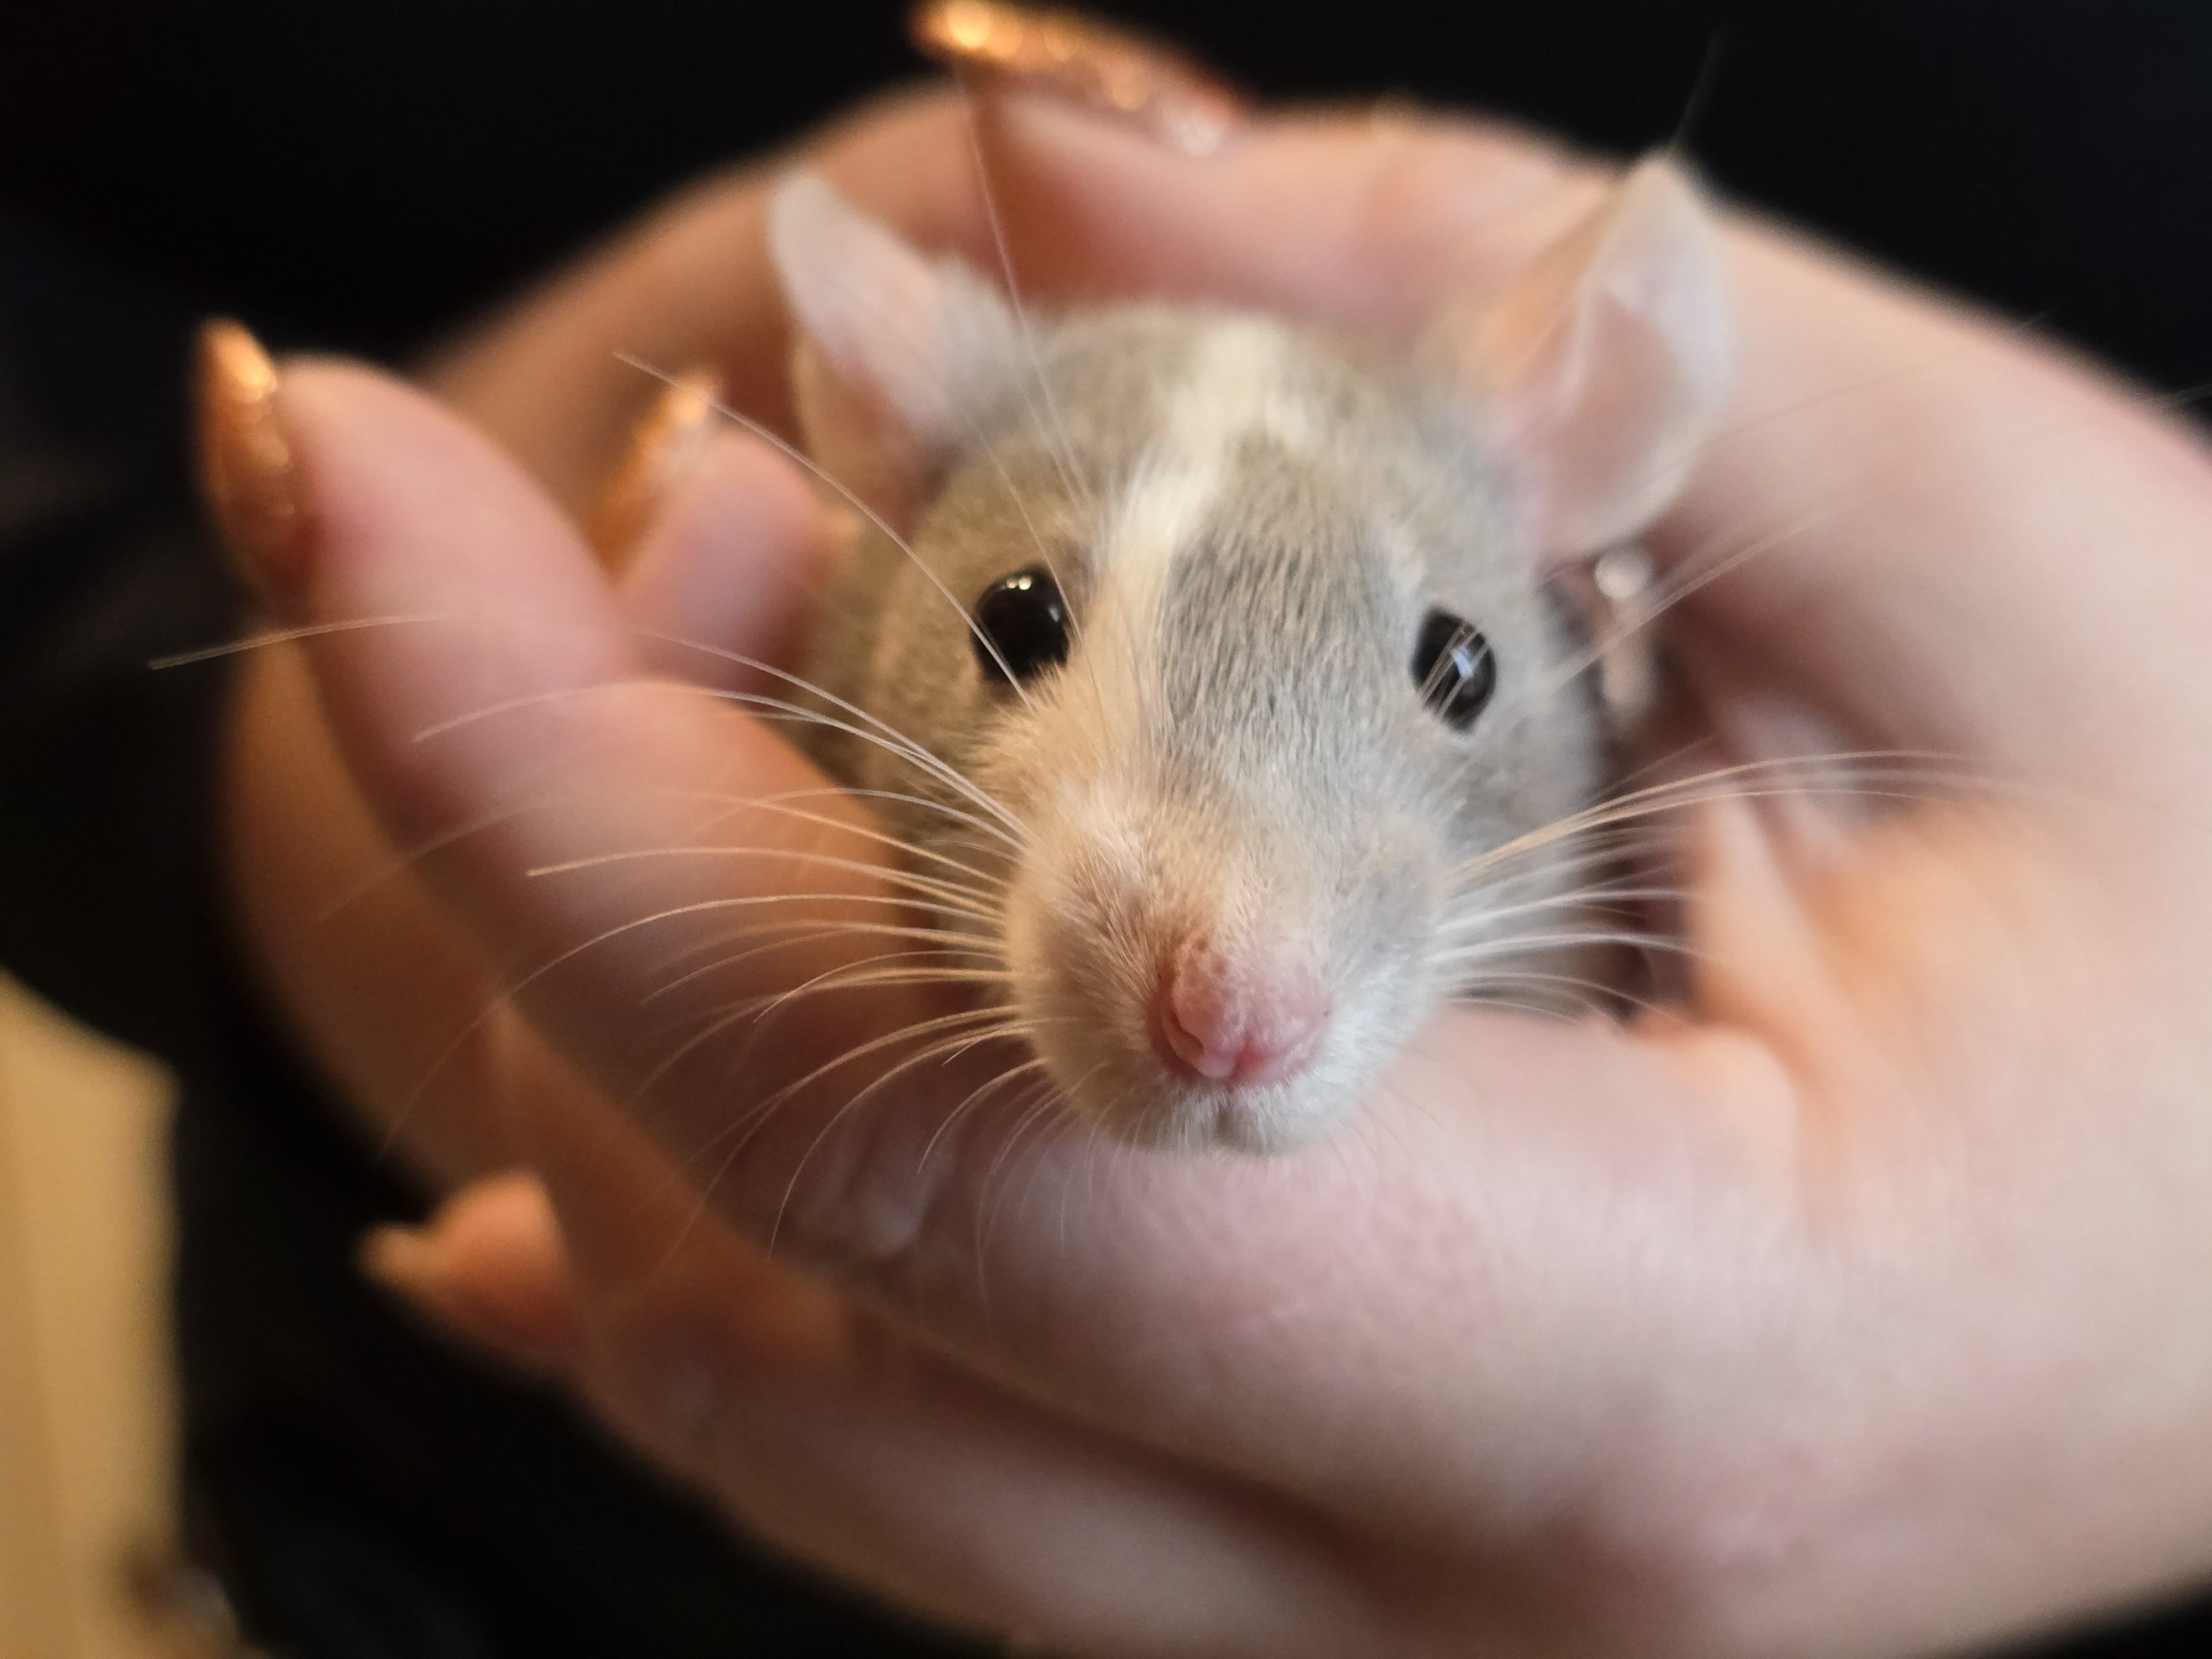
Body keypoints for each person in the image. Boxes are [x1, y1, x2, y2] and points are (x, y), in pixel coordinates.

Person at [7, 4, 2212, 1654]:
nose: (1230, 980)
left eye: (1446, 672)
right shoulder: (899, 447)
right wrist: (270, 819)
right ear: (877, 422)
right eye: (1027, 622)